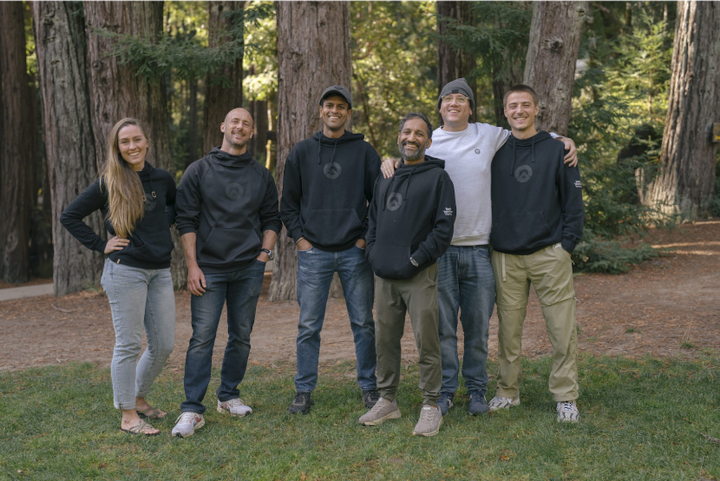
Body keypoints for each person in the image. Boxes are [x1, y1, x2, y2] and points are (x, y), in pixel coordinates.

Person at [382, 78, 578, 416]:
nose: (454, 103)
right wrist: (389, 160)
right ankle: (447, 391)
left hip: (480, 250)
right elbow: (408, 157)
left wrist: (563, 139)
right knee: (444, 328)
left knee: (478, 328)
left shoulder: (488, 135)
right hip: (442, 252)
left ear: (471, 109)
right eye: (448, 98)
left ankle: (477, 390)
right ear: (440, 107)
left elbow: (528, 132)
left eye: (462, 99)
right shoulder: (429, 142)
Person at [61, 118, 176, 436]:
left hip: (160, 271)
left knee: (164, 344)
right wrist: (102, 245)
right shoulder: (108, 182)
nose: (132, 146)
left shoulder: (162, 178)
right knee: (128, 344)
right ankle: (128, 415)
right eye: (125, 142)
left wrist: (161, 225)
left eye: (137, 139)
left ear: (147, 141)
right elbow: (70, 215)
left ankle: (137, 398)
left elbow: (173, 206)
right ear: (117, 147)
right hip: (125, 271)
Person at [172, 108, 281, 437]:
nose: (240, 127)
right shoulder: (199, 171)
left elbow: (272, 219)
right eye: (235, 121)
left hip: (248, 268)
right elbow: (186, 221)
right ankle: (192, 409)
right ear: (223, 126)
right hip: (209, 270)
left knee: (241, 336)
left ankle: (229, 396)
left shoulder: (261, 175)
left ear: (252, 132)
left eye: (246, 123)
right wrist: (192, 266)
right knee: (202, 338)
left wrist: (263, 256)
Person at [281, 85, 381, 414]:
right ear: (321, 110)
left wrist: (363, 239)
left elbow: (378, 201)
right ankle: (303, 390)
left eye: (340, 106)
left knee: (363, 323)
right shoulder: (302, 152)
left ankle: (369, 387)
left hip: (355, 251)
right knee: (309, 326)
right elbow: (288, 204)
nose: (334, 110)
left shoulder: (364, 152)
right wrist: (301, 240)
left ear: (348, 113)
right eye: (329, 105)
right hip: (314, 253)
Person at [488, 84, 583, 422]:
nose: (519, 111)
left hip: (549, 253)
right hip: (505, 256)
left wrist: (566, 246)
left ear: (537, 109)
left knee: (562, 329)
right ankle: (507, 391)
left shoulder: (557, 149)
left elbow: (573, 202)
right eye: (513, 105)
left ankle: (565, 396)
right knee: (508, 332)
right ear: (505, 111)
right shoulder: (494, 150)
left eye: (525, 105)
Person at [359, 112, 456, 437]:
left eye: (419, 134)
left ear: (428, 141)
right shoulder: (386, 176)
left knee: (426, 339)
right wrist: (373, 255)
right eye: (406, 132)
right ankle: (387, 399)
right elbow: (372, 221)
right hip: (385, 276)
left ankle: (431, 404)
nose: (411, 138)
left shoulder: (439, 179)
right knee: (385, 340)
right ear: (399, 136)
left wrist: (416, 259)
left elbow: (443, 230)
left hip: (419, 274)